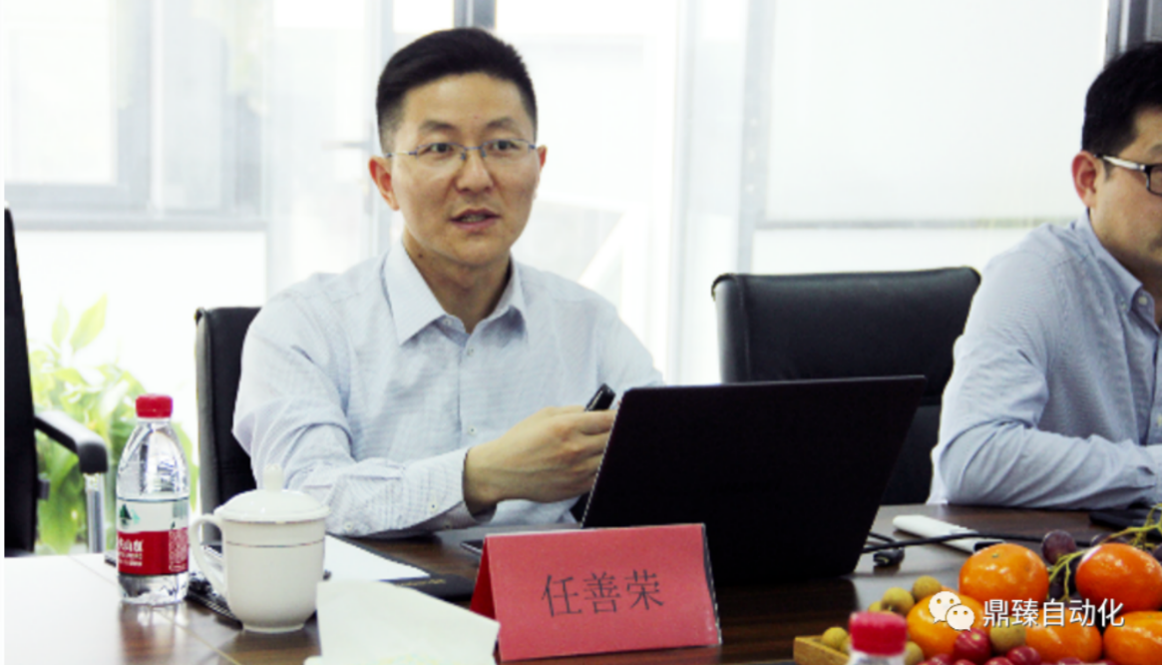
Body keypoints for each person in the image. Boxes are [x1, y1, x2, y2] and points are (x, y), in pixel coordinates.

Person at [233, 28, 661, 536]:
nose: (476, 177)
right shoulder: (305, 325)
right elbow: (306, 496)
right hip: (375, 590)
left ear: (538, 167)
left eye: (503, 145)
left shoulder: (589, 325)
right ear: (386, 182)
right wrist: (483, 475)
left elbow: (672, 467)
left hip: (551, 586)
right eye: (439, 148)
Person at [929, 42, 1162, 509]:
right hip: (1011, 555)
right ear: (1089, 179)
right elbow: (974, 457)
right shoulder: (1033, 276)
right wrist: (1152, 472)